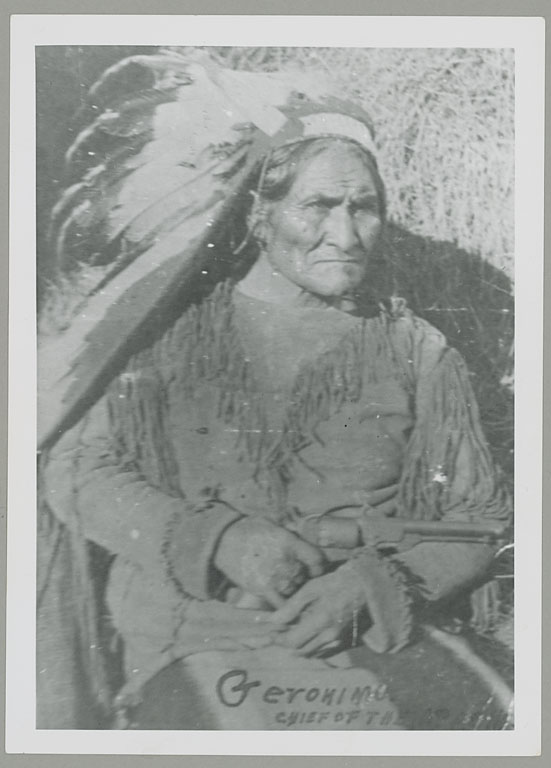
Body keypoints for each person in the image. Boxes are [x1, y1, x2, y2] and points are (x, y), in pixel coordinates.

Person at [37, 51, 512, 729]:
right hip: (196, 644)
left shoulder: (417, 351)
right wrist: (212, 538)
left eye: (365, 208)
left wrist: (375, 585)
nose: (345, 235)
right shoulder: (167, 338)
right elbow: (77, 469)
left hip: (375, 644)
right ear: (260, 214)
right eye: (318, 206)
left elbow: (478, 522)